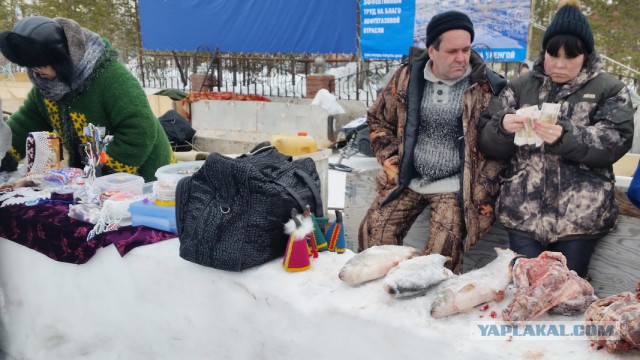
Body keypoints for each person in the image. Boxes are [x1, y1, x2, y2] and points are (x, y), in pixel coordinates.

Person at [477, 0, 635, 278]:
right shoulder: (520, 85)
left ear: (585, 55)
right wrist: (502, 127)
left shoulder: (609, 89)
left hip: (580, 219)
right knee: (525, 289)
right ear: (544, 52)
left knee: (566, 293)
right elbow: (486, 139)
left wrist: (566, 134)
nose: (560, 64)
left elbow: (616, 140)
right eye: (553, 54)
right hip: (522, 213)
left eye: (570, 57)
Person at [358, 10, 507, 273]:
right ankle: (376, 306)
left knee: (439, 262)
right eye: (452, 51)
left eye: (466, 49)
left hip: (454, 186)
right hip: (409, 179)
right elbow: (377, 120)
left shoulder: (485, 87)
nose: (461, 58)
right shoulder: (406, 78)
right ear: (432, 51)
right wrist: (394, 160)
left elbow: (499, 145)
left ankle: (426, 310)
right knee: (373, 238)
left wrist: (483, 183)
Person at [0, 16, 173, 181]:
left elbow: (140, 130)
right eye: (31, 65)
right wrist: (3, 154)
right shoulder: (46, 86)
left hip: (148, 176)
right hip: (94, 178)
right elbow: (27, 121)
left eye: (40, 63)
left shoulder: (112, 78)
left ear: (61, 56)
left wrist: (103, 170)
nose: (36, 70)